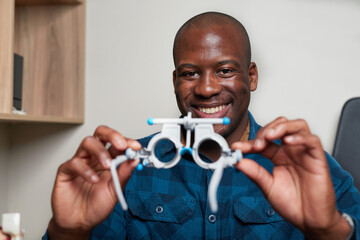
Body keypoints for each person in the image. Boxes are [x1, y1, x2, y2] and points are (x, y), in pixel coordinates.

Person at [43, 12, 360, 240]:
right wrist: (68, 233)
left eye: (224, 71)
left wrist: (329, 231)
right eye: (190, 73)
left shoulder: (304, 167)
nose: (206, 89)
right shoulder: (122, 170)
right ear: (175, 81)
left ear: (251, 77)